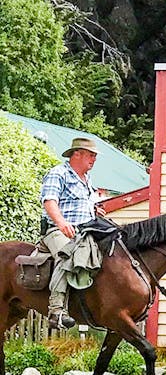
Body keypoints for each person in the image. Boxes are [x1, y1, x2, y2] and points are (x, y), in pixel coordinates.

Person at [39, 136, 103, 330]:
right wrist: (62, 223)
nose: (94, 159)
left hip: (85, 231)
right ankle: (56, 311)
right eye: (90, 155)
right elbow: (49, 201)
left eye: (94, 156)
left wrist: (95, 211)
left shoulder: (87, 179)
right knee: (67, 255)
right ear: (77, 154)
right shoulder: (58, 173)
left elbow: (83, 204)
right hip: (58, 231)